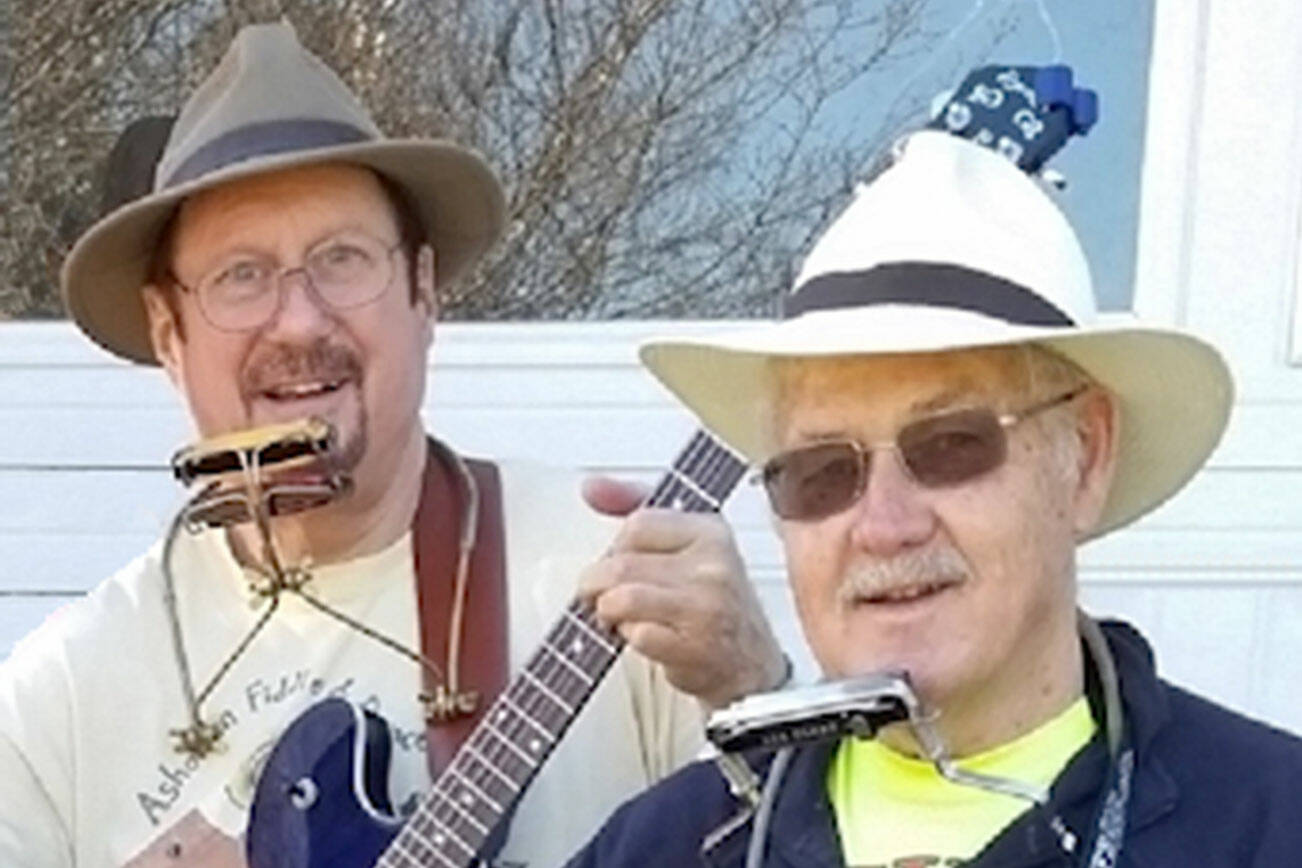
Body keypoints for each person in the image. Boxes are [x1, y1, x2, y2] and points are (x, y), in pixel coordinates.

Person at [0, 23, 784, 867]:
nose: (299, 321)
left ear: (422, 291)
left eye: (343, 259)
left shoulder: (620, 580)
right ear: (168, 331)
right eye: (241, 275)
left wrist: (757, 689)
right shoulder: (58, 700)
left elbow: (806, 842)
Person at [566, 127, 1302, 867]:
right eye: (823, 470)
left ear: (1085, 456)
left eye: (951, 445)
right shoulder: (653, 847)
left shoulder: (1271, 825)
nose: (884, 526)